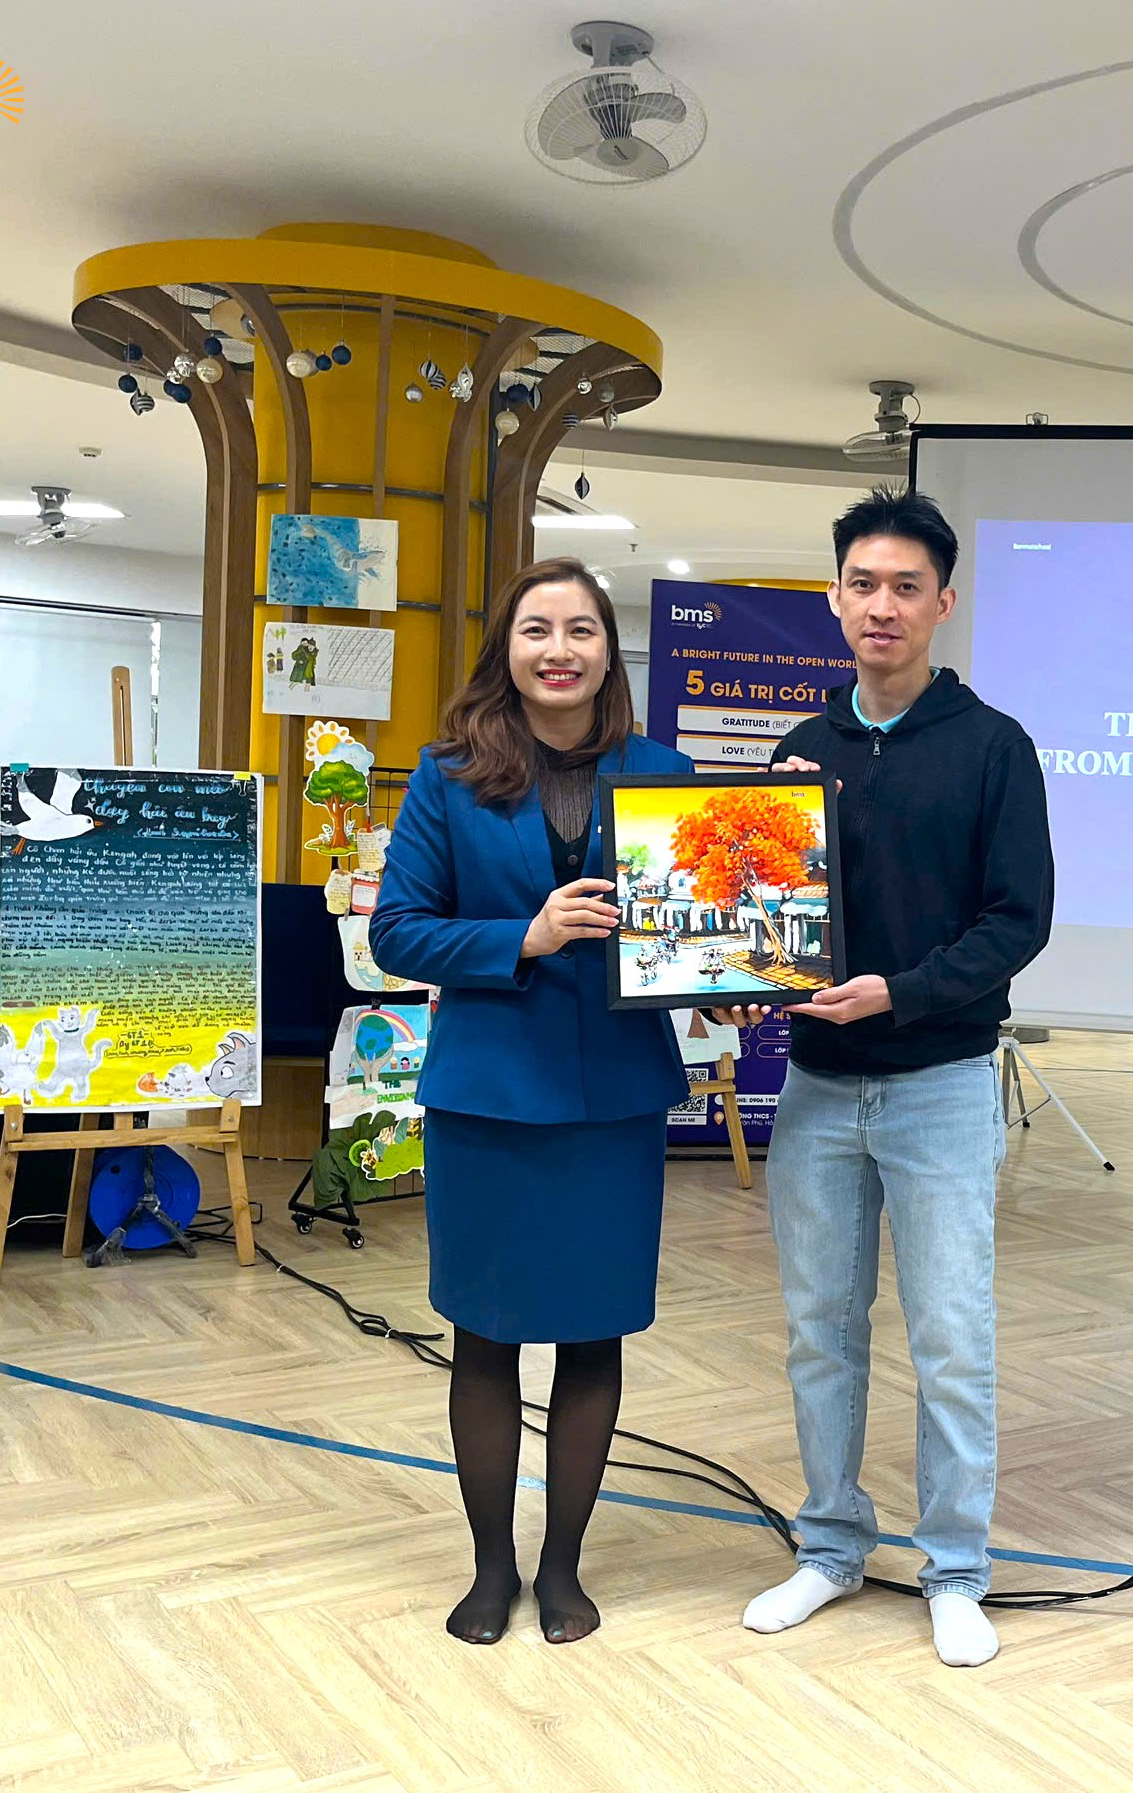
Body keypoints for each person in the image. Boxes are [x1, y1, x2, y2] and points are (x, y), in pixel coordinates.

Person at [714, 486, 1053, 1668]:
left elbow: (1017, 920)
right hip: (816, 1087)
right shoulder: (797, 754)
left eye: (906, 586)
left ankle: (954, 1565)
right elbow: (763, 921)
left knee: (950, 1335)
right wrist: (736, 977)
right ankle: (829, 1545)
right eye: (862, 583)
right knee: (820, 1329)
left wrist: (897, 993)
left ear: (942, 603)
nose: (882, 605)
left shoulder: (994, 746)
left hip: (940, 1082)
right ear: (833, 597)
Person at [369, 558, 692, 1646]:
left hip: (614, 1100)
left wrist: (733, 976)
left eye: (581, 629)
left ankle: (562, 1566)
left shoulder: (662, 771)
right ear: (505, 649)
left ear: (608, 649)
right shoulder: (447, 774)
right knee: (485, 1337)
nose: (559, 649)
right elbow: (398, 931)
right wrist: (526, 934)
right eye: (536, 629)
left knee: (594, 1335)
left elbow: (698, 924)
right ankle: (490, 1566)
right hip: (490, 1099)